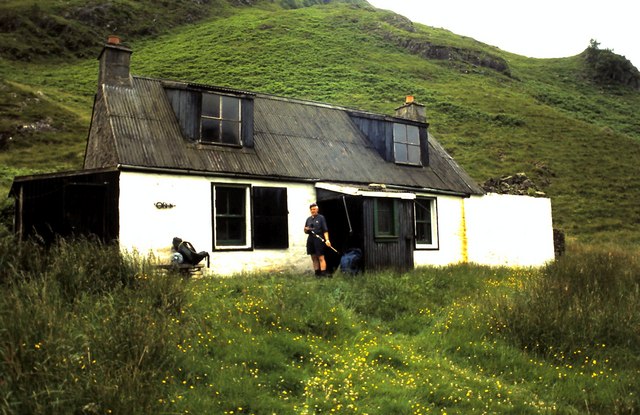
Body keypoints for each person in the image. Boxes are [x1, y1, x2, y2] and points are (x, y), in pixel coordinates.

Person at [304, 203, 332, 277]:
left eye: (314, 209)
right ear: (310, 210)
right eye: (312, 209)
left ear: (317, 209)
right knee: (313, 257)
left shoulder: (321, 218)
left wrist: (327, 240)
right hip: (310, 239)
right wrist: (306, 229)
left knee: (320, 256)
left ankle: (323, 273)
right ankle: (317, 274)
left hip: (318, 238)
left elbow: (325, 230)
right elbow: (305, 231)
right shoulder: (308, 219)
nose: (313, 211)